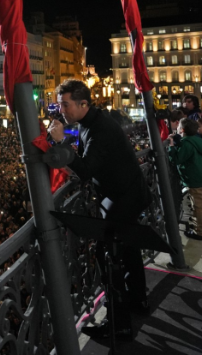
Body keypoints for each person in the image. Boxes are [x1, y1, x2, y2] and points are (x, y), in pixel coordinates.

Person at [48, 80, 150, 338]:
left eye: (65, 104)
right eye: (60, 104)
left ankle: (120, 324)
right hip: (122, 194)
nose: (62, 110)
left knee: (109, 257)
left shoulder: (100, 129)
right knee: (129, 250)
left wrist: (61, 143)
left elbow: (85, 170)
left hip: (122, 197)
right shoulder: (89, 123)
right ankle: (138, 300)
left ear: (83, 103)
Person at [168, 118, 202, 240]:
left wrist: (171, 147)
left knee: (196, 205)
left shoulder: (187, 144)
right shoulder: (199, 141)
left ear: (182, 130)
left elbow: (177, 159)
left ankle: (198, 231)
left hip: (193, 177)